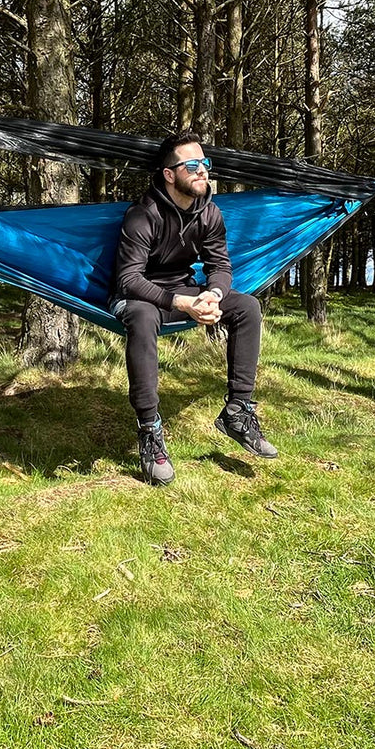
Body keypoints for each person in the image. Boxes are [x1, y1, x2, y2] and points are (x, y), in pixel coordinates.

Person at [111, 130, 277, 485]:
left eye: (205, 163)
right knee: (141, 317)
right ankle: (150, 431)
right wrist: (181, 302)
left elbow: (220, 266)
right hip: (141, 296)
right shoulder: (143, 215)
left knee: (246, 306)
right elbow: (128, 279)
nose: (203, 171)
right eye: (192, 165)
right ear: (170, 174)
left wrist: (213, 295)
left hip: (183, 292)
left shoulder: (210, 213)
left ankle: (237, 411)